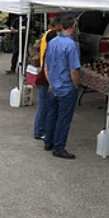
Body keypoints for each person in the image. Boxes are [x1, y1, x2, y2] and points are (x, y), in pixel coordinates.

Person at [43, 16, 81, 159]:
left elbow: (46, 66)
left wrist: (51, 82)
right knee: (63, 119)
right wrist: (76, 85)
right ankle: (59, 147)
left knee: (52, 115)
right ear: (73, 27)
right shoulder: (72, 46)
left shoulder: (52, 42)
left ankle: (48, 141)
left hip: (54, 86)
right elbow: (74, 70)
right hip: (66, 86)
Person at [33, 16, 62, 140]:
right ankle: (39, 131)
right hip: (45, 77)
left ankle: (40, 129)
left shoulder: (46, 34)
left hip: (43, 74)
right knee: (44, 106)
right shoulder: (51, 36)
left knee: (44, 105)